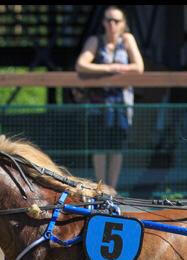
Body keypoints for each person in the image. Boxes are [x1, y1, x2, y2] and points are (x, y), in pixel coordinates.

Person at [75, 5, 144, 190]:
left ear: (123, 24)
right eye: (109, 20)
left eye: (116, 20)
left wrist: (119, 68)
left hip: (121, 101)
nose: (112, 24)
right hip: (99, 101)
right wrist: (109, 68)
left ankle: (112, 187)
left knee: (116, 145)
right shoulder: (95, 40)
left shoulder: (127, 40)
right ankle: (101, 187)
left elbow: (139, 67)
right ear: (104, 23)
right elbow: (82, 64)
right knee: (99, 145)